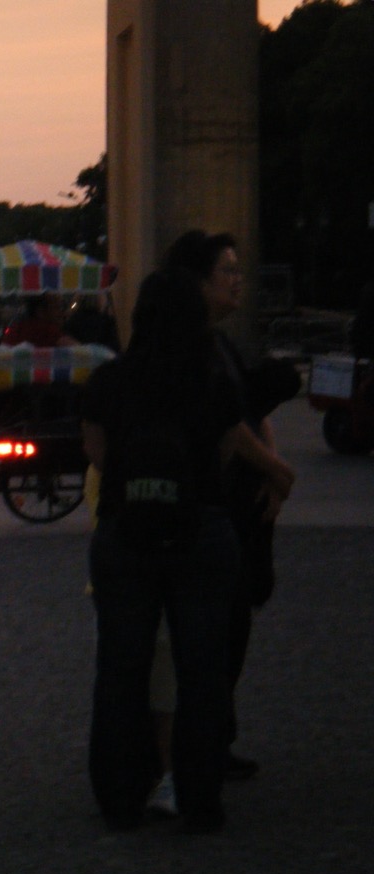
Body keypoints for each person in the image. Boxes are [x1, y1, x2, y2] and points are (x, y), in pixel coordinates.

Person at [82, 266, 243, 833]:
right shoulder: (212, 381)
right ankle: (199, 797)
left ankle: (120, 796)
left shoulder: (108, 382)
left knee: (121, 668)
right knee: (202, 670)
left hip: (125, 532)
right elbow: (224, 455)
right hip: (199, 530)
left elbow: (99, 456)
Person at [164, 230, 297, 782]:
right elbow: (225, 423)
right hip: (213, 505)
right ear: (198, 281)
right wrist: (276, 469)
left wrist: (268, 459)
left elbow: (249, 404)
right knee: (218, 628)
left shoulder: (218, 341)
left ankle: (215, 735)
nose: (239, 279)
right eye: (228, 271)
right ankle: (205, 743)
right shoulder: (193, 345)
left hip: (239, 500)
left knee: (231, 625)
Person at [2, 292, 79, 348]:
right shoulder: (48, 331)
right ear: (40, 311)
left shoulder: (15, 329)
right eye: (57, 307)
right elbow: (79, 352)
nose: (62, 313)